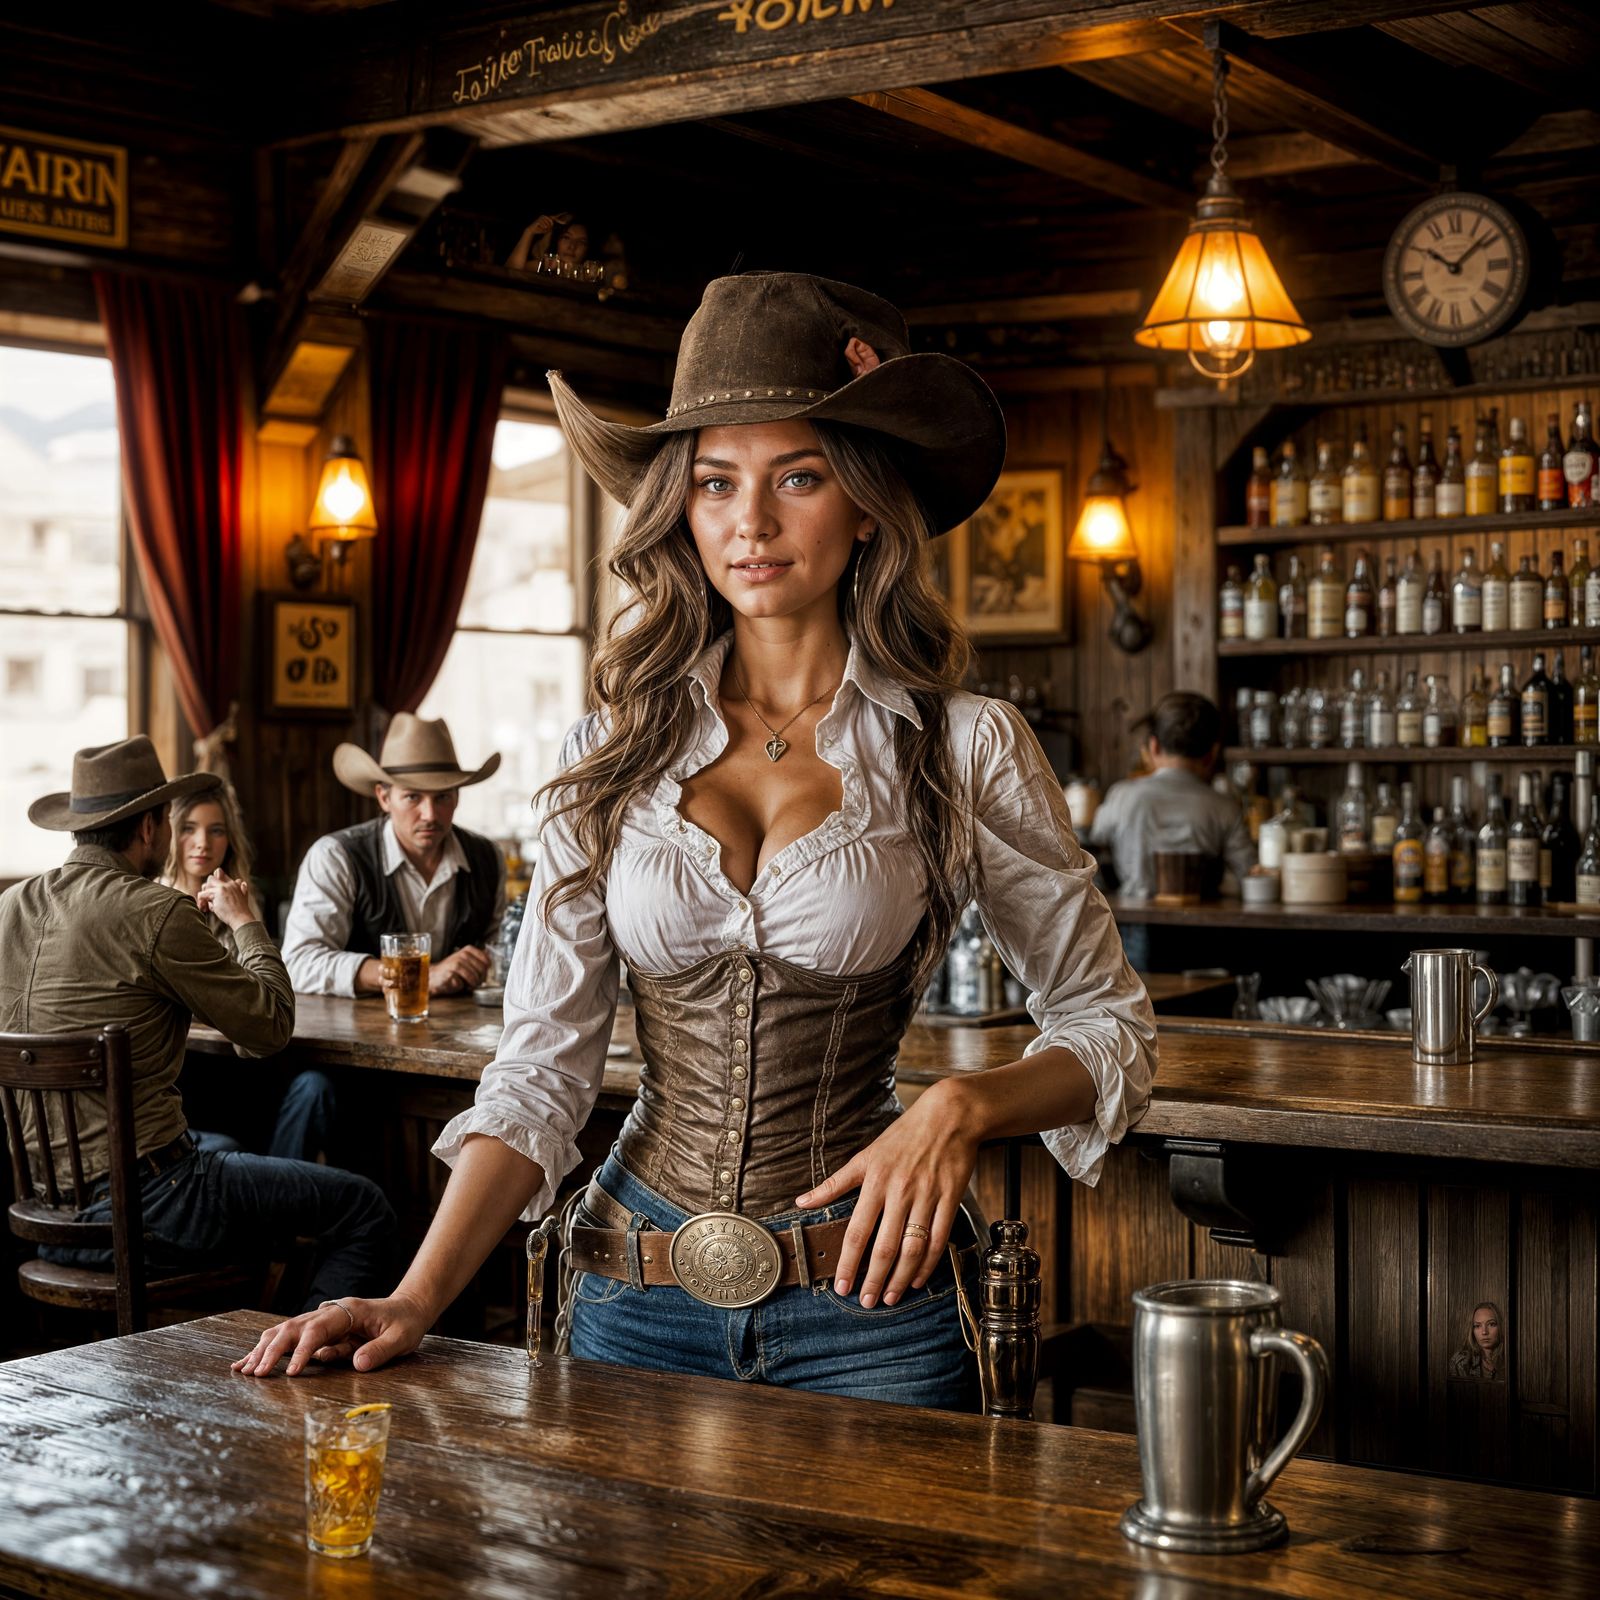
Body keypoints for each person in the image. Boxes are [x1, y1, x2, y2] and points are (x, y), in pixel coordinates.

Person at [235, 271, 1156, 1401]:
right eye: (715, 484)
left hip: (872, 1303)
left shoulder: (964, 746)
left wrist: (961, 1107)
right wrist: (414, 1296)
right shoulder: (605, 753)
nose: (750, 523)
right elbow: (541, 1070)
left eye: (799, 477)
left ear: (866, 502)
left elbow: (1108, 1025)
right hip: (630, 1286)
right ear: (682, 508)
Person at [0, 737, 394, 1309]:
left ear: (78, 827)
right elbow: (269, 1028)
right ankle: (298, 1368)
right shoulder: (154, 910)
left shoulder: (10, 907)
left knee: (225, 1146)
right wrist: (246, 923)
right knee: (363, 1208)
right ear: (151, 828)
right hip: (154, 1206)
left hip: (43, 1206)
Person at [161, 784, 336, 1165]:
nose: (202, 842)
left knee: (316, 1087)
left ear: (230, 839)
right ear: (166, 833)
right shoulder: (152, 907)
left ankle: (277, 1206)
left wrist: (242, 919)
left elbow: (262, 1018)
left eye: (216, 830)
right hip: (186, 1083)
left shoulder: (241, 901)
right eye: (188, 828)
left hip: (248, 1070)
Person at [281, 715, 507, 998]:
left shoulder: (488, 858)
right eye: (413, 797)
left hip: (465, 1034)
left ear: (457, 797)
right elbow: (298, 963)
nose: (430, 815)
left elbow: (504, 953)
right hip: (352, 1034)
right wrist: (414, 974)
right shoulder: (336, 857)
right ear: (384, 798)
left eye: (442, 797)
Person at [1088, 691, 1256, 901]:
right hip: (1203, 925)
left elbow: (1090, 846)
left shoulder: (1121, 795)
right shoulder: (1225, 807)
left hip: (1132, 923)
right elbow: (1250, 873)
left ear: (1153, 746)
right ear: (1212, 753)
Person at [1450, 1300, 1507, 1381]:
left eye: (1491, 1324)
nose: (1484, 1332)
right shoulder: (1461, 1362)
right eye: (1477, 1326)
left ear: (1501, 1327)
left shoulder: (1513, 1359)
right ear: (1472, 1330)